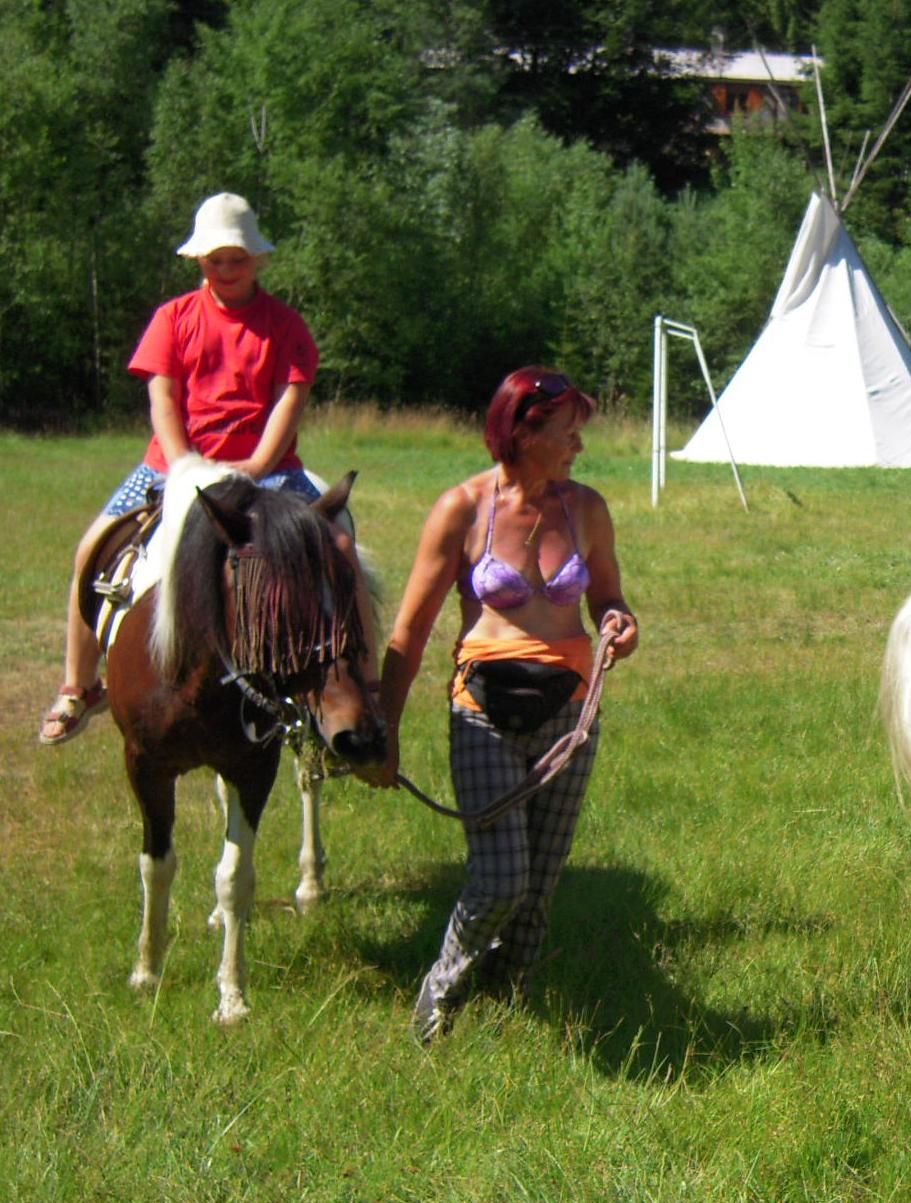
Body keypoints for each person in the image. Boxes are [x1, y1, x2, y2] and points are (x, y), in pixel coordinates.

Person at [370, 366, 639, 1042]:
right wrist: (385, 731)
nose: (579, 445)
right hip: (483, 710)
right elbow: (409, 631)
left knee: (539, 884)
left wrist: (619, 620)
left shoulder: (586, 509)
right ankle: (440, 989)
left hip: (570, 714)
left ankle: (507, 996)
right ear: (523, 431)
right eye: (567, 431)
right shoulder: (461, 509)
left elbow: (607, 595)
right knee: (500, 878)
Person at [40, 192, 321, 744]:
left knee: (333, 547)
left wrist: (256, 464)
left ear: (257, 260)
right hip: (171, 466)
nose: (226, 270)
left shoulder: (286, 325)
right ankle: (79, 685)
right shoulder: (172, 319)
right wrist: (184, 464)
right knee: (90, 550)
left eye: (237, 259)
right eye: (215, 260)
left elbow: (290, 402)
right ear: (199, 260)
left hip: (267, 470)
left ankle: (350, 686)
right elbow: (163, 400)